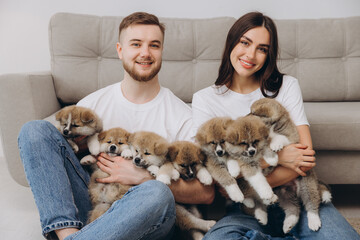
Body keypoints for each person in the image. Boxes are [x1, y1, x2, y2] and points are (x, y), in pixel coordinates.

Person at [18, 12, 214, 240]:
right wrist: (79, 148)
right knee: (34, 130)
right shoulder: (93, 105)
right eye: (136, 44)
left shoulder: (182, 116)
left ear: (162, 51)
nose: (145, 53)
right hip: (94, 202)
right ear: (120, 50)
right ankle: (68, 234)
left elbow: (207, 193)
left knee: (157, 192)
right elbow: (58, 158)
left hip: (145, 216)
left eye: (154, 45)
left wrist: (143, 178)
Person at [192, 12, 360, 240]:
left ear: (268, 54)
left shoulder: (287, 86)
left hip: (299, 197)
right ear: (232, 43)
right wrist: (278, 159)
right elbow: (221, 184)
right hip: (247, 208)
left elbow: (304, 160)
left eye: (262, 48)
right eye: (245, 43)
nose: (250, 55)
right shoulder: (205, 99)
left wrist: (246, 175)